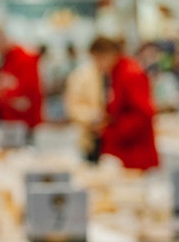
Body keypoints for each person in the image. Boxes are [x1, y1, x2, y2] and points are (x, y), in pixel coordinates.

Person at [89, 36, 159, 171]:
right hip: (126, 151)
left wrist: (112, 131)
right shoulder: (117, 72)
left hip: (135, 153)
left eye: (96, 60)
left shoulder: (130, 73)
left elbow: (144, 114)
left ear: (106, 55)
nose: (96, 66)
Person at [0, 28, 44, 129]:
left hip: (25, 122)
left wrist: (6, 96)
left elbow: (28, 93)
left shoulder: (24, 58)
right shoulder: (3, 60)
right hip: (8, 120)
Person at [64, 47, 105, 162]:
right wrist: (92, 117)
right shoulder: (81, 76)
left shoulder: (115, 73)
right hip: (91, 134)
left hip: (114, 135)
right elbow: (72, 107)